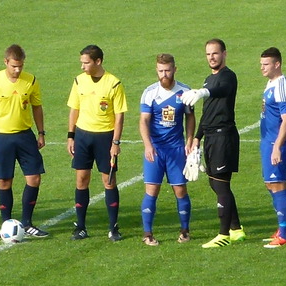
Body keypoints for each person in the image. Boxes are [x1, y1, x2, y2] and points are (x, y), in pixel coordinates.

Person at [0, 45, 48, 236]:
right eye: (14, 66)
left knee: (34, 178)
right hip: (2, 138)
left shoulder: (30, 81)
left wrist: (41, 133)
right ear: (6, 62)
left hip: (25, 136)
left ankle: (27, 222)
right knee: (4, 181)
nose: (17, 70)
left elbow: (37, 107)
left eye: (20, 66)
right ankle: (5, 224)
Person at [183, 38, 244, 248]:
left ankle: (223, 234)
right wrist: (197, 138)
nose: (211, 57)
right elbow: (207, 112)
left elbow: (223, 90)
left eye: (215, 53)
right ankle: (236, 228)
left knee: (221, 183)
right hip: (211, 137)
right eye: (208, 54)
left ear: (224, 54)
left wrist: (204, 92)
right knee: (215, 183)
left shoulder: (228, 76)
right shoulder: (209, 79)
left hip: (223, 136)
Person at [66, 45, 127, 240]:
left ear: (98, 61)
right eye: (81, 62)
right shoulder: (79, 81)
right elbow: (74, 109)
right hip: (83, 136)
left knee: (109, 181)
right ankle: (81, 227)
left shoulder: (113, 84)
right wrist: (71, 136)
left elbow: (119, 116)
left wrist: (115, 142)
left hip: (105, 138)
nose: (82, 66)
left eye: (86, 63)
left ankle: (113, 228)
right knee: (81, 179)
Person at [138, 54, 194, 245]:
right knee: (151, 190)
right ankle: (147, 234)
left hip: (176, 149)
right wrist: (148, 145)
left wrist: (189, 141)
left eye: (167, 70)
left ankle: (185, 231)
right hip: (155, 150)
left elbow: (190, 117)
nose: (164, 74)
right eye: (161, 71)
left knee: (180, 190)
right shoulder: (150, 93)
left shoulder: (185, 92)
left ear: (174, 69)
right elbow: (144, 121)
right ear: (157, 70)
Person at [256, 47, 286, 247]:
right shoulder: (271, 83)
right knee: (270, 184)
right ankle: (284, 228)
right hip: (268, 141)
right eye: (261, 64)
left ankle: (284, 233)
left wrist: (277, 146)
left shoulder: (281, 86)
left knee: (278, 184)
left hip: (275, 142)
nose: (262, 68)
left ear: (277, 64)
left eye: (266, 64)